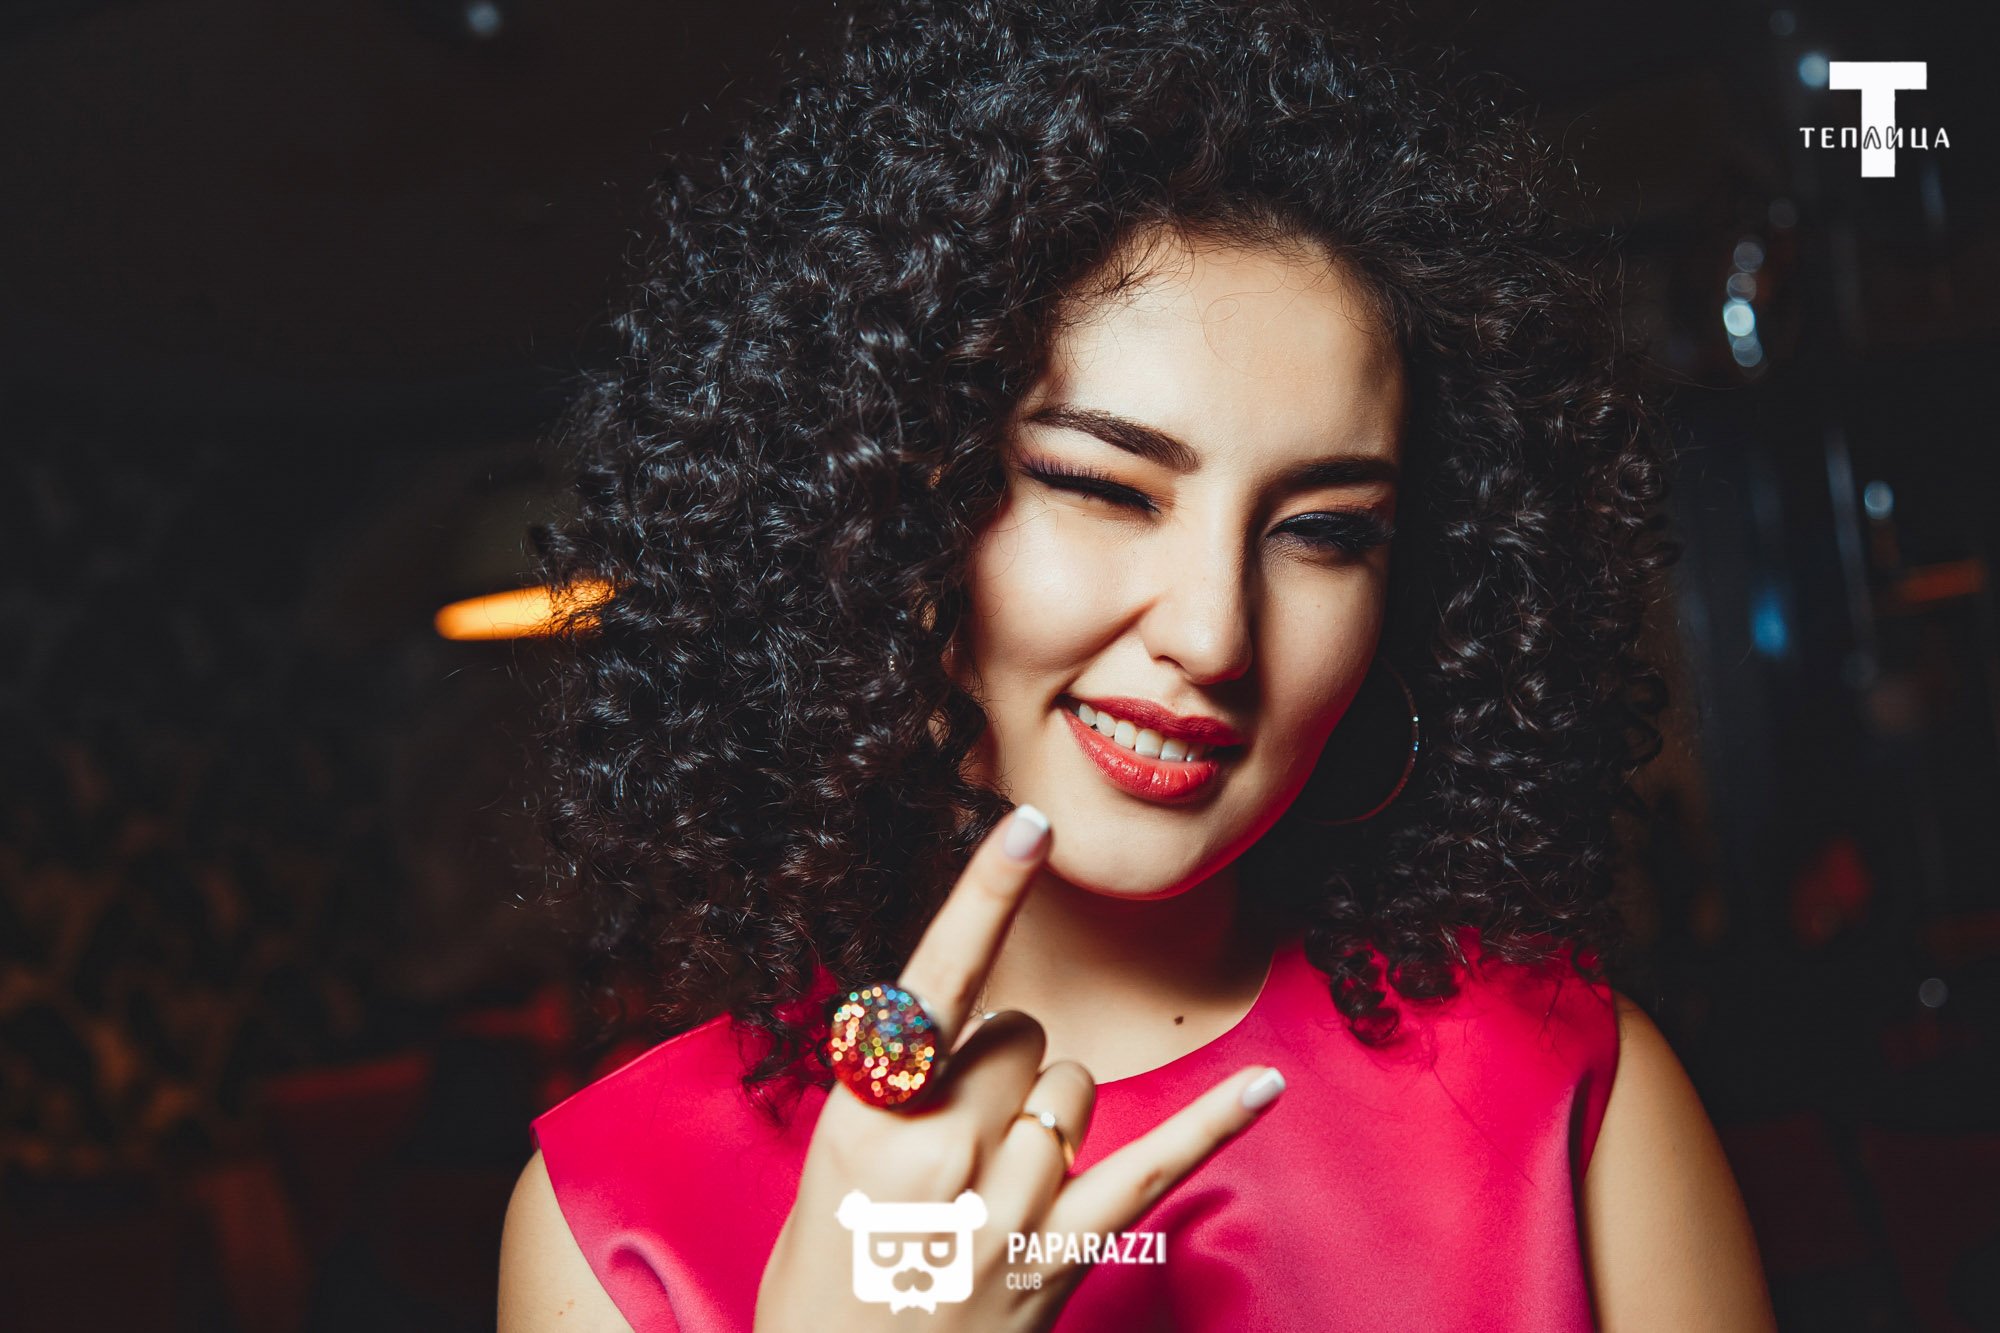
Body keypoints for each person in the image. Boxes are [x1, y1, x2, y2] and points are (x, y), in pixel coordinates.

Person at [498, 0, 1778, 1328]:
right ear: (881, 509)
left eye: (1324, 532)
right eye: (1101, 488)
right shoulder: (625, 1226)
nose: (1215, 636)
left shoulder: (1571, 1097)